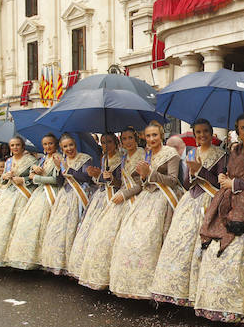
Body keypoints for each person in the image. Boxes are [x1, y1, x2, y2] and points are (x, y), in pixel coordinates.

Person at [194, 114, 244, 322]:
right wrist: (225, 178)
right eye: (243, 128)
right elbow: (230, 175)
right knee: (218, 251)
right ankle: (219, 306)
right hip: (230, 203)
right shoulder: (234, 151)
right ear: (238, 131)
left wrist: (237, 184)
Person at [150, 119, 227, 306]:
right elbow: (185, 183)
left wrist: (200, 170)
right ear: (194, 134)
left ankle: (197, 292)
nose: (202, 135)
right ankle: (175, 290)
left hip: (209, 201)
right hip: (190, 201)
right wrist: (192, 173)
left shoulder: (221, 155)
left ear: (211, 133)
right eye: (198, 132)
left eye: (205, 132)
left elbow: (218, 184)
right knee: (178, 243)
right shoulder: (192, 153)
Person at [109, 121, 182, 298]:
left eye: (154, 135)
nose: (151, 139)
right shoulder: (147, 155)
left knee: (150, 239)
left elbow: (173, 180)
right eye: (148, 136)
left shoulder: (170, 153)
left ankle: (156, 287)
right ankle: (133, 285)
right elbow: (142, 183)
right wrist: (143, 176)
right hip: (147, 197)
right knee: (130, 237)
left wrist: (149, 174)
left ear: (161, 135)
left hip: (164, 197)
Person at [76, 128, 144, 291]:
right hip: (114, 194)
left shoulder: (140, 155)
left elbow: (139, 182)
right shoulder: (109, 157)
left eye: (130, 138)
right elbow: (114, 181)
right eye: (103, 142)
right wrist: (99, 175)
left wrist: (116, 183)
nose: (128, 141)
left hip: (132, 196)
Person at [67, 133, 123, 278]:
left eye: (109, 142)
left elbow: (121, 182)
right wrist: (96, 175)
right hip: (101, 196)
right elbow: (100, 181)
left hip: (116, 196)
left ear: (116, 143)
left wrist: (111, 178)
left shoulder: (122, 158)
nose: (106, 145)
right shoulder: (103, 158)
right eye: (103, 142)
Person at [39, 134, 95, 274]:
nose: (69, 148)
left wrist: (67, 169)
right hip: (64, 197)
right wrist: (59, 169)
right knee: (59, 229)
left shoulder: (85, 158)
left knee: (75, 228)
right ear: (62, 148)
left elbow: (86, 178)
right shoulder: (61, 160)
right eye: (65, 146)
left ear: (75, 144)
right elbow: (59, 182)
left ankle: (74, 265)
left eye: (71, 145)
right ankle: (60, 263)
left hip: (80, 194)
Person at [4, 134, 61, 270]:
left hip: (51, 193)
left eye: (50, 144)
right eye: (45, 144)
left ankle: (44, 260)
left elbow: (57, 180)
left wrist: (32, 178)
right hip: (38, 193)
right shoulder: (42, 159)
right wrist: (33, 172)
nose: (48, 147)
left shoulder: (58, 158)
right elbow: (33, 175)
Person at [0, 137, 37, 267]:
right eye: (12, 145)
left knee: (18, 224)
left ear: (23, 146)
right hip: (9, 194)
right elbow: (3, 182)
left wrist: (22, 180)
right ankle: (0, 256)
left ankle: (16, 257)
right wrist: (5, 177)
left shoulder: (31, 160)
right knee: (2, 222)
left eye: (18, 145)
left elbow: (34, 179)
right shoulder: (8, 161)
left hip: (23, 194)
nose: (15, 147)